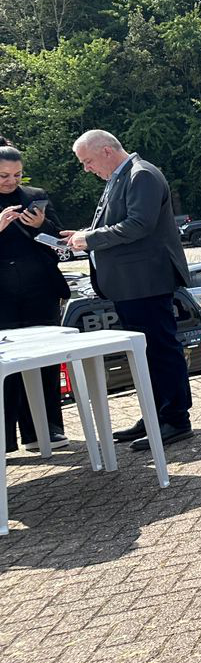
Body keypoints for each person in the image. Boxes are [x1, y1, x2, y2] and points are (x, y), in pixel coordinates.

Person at [62, 131, 193, 452]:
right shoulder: (122, 176)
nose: (87, 169)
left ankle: (175, 419)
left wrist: (90, 239)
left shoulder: (141, 175)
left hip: (146, 281)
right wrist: (85, 234)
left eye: (88, 161)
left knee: (160, 350)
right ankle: (155, 414)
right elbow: (124, 223)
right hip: (131, 283)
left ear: (107, 151)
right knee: (146, 352)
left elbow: (138, 225)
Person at [1, 146, 71, 452]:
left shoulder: (35, 196)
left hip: (40, 289)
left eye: (17, 174)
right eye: (3, 175)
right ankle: (5, 438)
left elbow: (61, 242)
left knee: (45, 360)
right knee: (6, 366)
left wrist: (41, 225)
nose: (11, 181)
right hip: (2, 296)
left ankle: (46, 429)